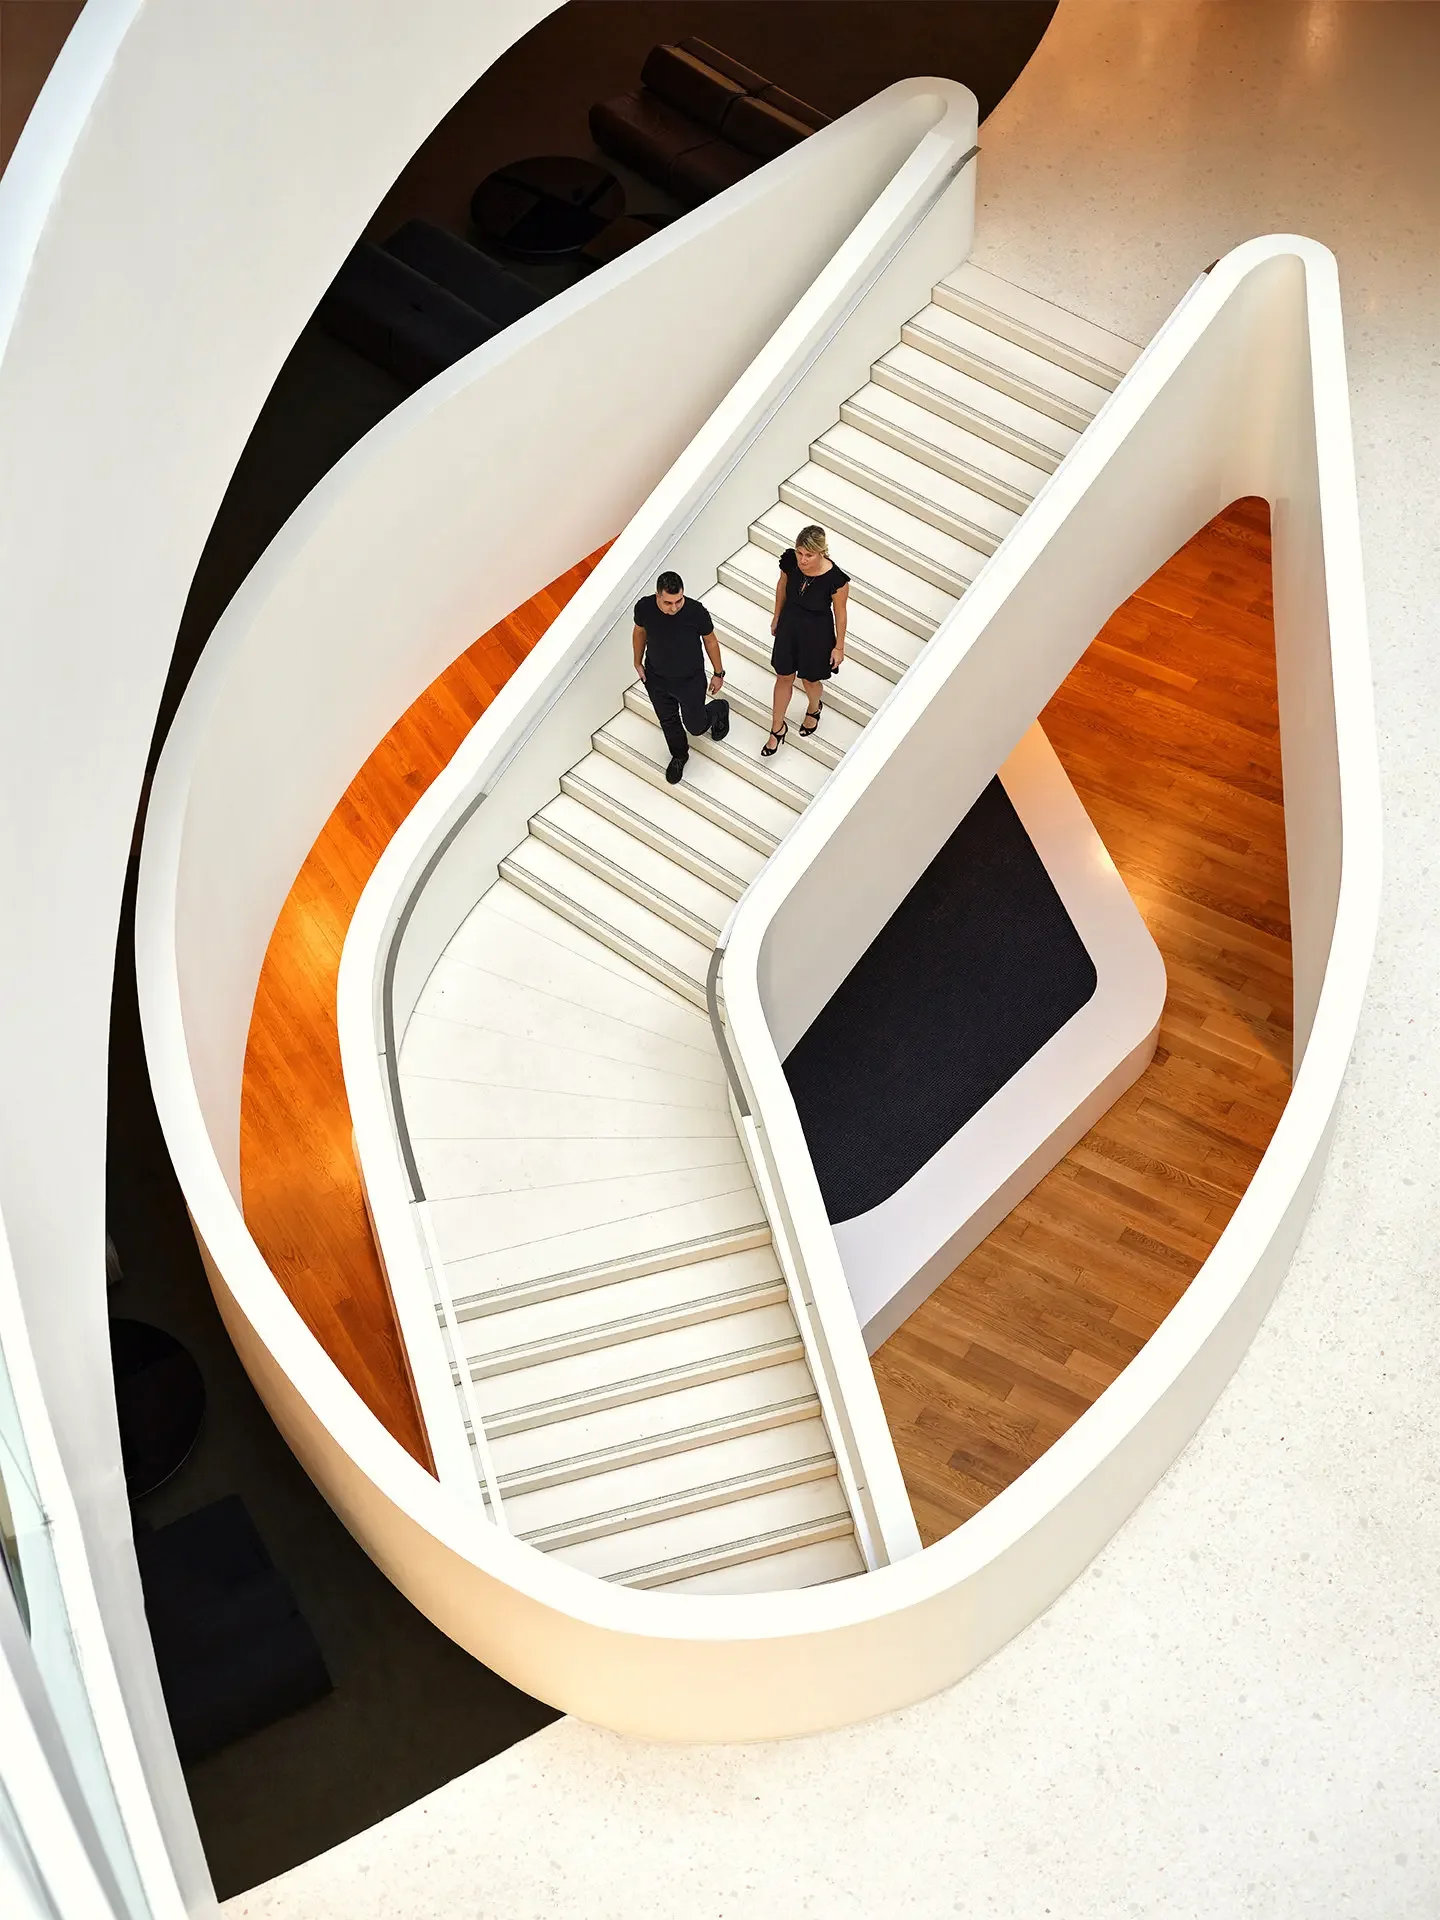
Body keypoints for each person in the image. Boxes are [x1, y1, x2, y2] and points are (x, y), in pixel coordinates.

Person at [632, 570, 730, 784]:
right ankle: (679, 755)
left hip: (690, 680)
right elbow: (639, 632)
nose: (674, 607)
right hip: (656, 678)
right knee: (668, 720)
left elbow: (710, 641)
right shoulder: (644, 608)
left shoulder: (696, 612)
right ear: (658, 596)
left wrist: (718, 672)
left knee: (695, 727)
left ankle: (719, 709)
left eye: (679, 601)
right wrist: (637, 662)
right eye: (668, 602)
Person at [765, 524, 849, 757]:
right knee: (783, 676)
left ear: (821, 552)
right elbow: (782, 586)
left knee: (810, 681)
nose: (802, 559)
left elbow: (840, 614)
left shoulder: (836, 580)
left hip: (816, 632)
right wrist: (777, 616)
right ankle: (776, 728)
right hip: (790, 623)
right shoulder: (790, 561)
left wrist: (839, 646)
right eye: (800, 553)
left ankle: (814, 708)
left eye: (808, 555)